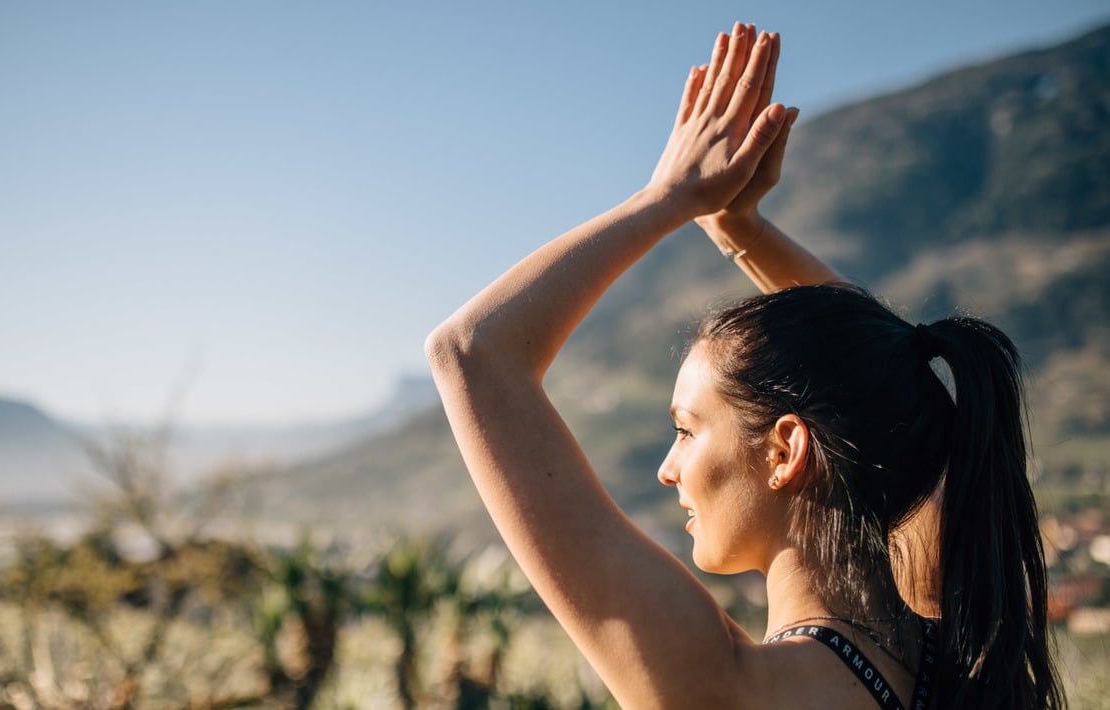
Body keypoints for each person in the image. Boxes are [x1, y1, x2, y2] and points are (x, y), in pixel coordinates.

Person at [424, 22, 1065, 710]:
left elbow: (471, 354)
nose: (667, 468)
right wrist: (741, 230)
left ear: (787, 448)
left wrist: (667, 198)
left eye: (687, 430)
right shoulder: (972, 667)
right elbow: (891, 383)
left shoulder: (729, 687)